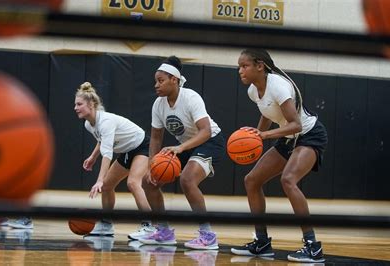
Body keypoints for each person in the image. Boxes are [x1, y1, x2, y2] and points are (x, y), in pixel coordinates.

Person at [230, 49, 328, 263]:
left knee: (289, 180)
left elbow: (296, 124)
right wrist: (254, 138)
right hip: (288, 138)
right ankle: (262, 242)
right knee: (251, 180)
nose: (240, 71)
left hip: (309, 135)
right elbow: (267, 114)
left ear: (259, 66)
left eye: (244, 66)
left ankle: (313, 246)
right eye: (239, 66)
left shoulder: (279, 86)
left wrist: (264, 135)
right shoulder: (253, 91)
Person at [139, 56, 225, 250]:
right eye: (155, 81)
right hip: (186, 145)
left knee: (187, 180)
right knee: (148, 181)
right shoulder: (158, 105)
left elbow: (206, 131)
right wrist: (152, 165)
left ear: (174, 80)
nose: (156, 85)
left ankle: (208, 235)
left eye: (161, 81)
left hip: (210, 142)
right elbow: (155, 139)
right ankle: (164, 231)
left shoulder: (191, 97)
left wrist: (181, 148)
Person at [74, 82, 154, 240]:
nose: (75, 108)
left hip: (143, 146)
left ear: (91, 105)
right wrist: (92, 157)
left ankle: (149, 226)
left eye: (79, 104)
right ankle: (106, 223)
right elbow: (101, 140)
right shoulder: (88, 124)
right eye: (75, 104)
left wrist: (99, 180)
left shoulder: (106, 122)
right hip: (127, 150)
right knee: (108, 186)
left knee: (132, 183)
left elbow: (107, 153)